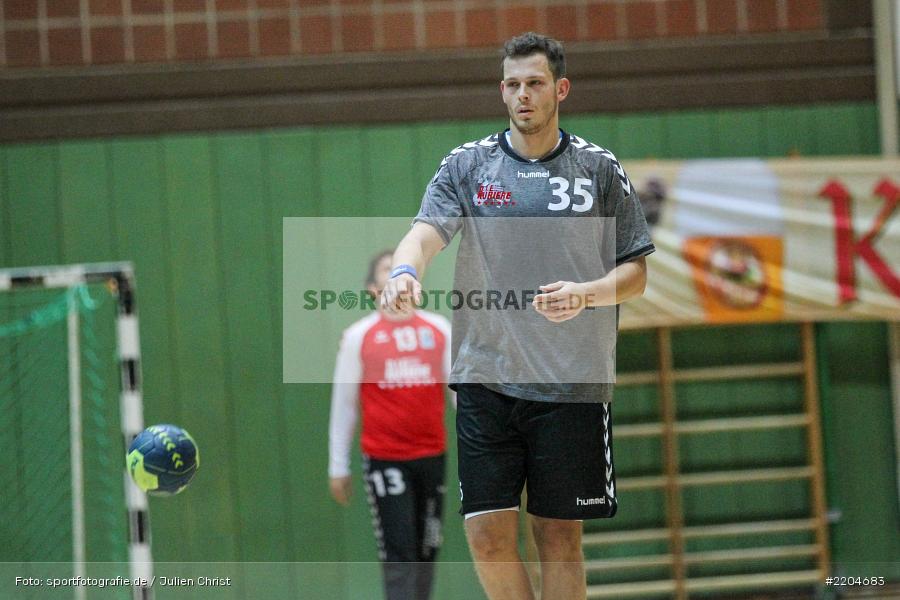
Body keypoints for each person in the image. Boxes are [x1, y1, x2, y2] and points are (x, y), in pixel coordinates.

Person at [379, 32, 655, 600]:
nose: (522, 95)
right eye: (512, 84)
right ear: (501, 91)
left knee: (559, 538)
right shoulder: (469, 165)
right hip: (486, 378)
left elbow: (635, 270)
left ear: (561, 89)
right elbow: (425, 235)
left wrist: (588, 293)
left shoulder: (597, 169)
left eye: (534, 84)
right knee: (485, 537)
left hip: (570, 382)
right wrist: (405, 272)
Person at [328, 249, 454, 600]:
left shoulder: (439, 329)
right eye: (386, 269)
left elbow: (459, 393)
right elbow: (344, 403)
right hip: (387, 458)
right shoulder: (359, 336)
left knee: (427, 549)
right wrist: (337, 465)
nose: (395, 274)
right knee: (400, 551)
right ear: (373, 288)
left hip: (432, 455)